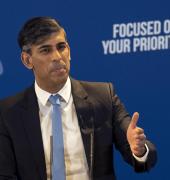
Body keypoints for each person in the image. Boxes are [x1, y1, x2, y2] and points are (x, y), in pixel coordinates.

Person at [0, 17, 157, 180]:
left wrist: (140, 150)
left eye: (61, 47)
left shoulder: (103, 97)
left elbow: (145, 159)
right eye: (45, 50)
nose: (57, 57)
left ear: (69, 50)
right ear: (27, 60)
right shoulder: (8, 113)